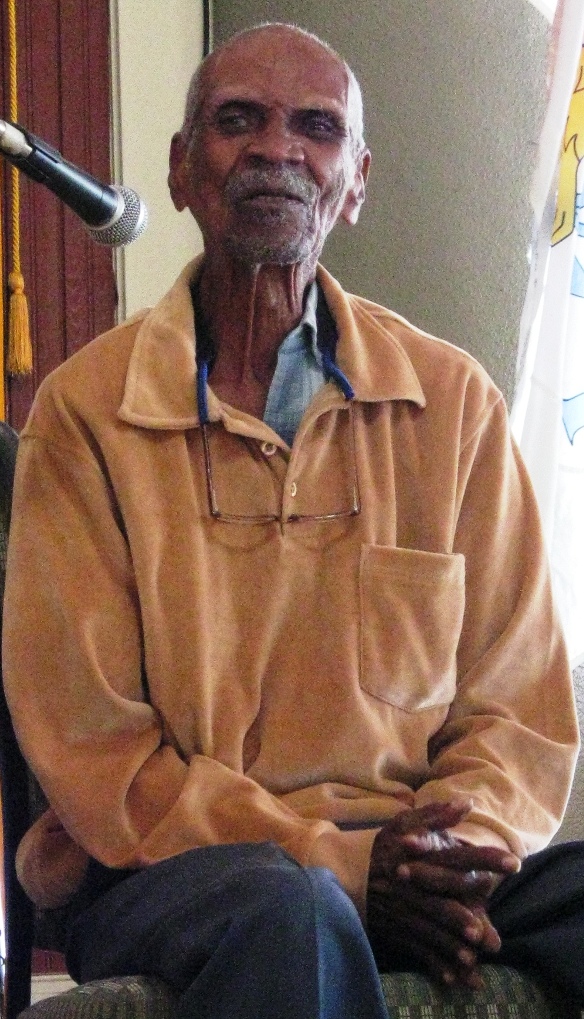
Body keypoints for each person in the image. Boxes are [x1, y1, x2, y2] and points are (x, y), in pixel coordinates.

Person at [3, 22, 582, 1019]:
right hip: (179, 873)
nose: (278, 150)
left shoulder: (452, 403)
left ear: (353, 182)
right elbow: (100, 756)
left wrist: (448, 854)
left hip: (409, 864)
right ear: (182, 171)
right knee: (295, 907)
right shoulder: (84, 413)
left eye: (314, 128)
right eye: (239, 122)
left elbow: (517, 716)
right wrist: (344, 865)